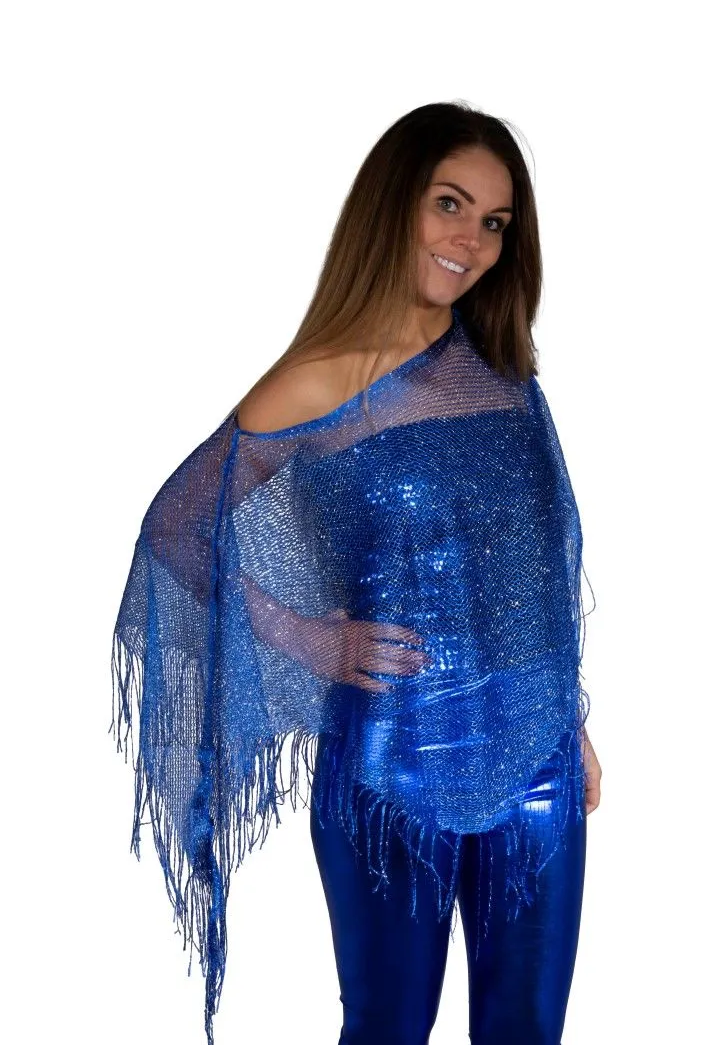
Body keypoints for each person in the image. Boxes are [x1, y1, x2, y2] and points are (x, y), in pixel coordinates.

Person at [111, 100, 601, 1045]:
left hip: (534, 762)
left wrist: (568, 719)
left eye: (495, 222)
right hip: (390, 761)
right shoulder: (317, 380)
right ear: (393, 203)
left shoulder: (502, 373)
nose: (471, 242)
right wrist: (303, 635)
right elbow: (177, 529)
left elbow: (532, 569)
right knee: (387, 1028)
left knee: (530, 1030)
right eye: (449, 204)